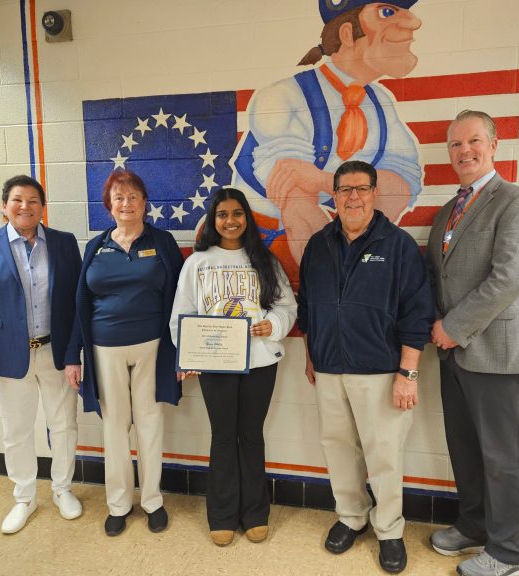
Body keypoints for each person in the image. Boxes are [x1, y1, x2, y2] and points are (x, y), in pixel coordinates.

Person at [297, 160, 434, 573]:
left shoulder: (398, 246)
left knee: (384, 454)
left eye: (361, 189)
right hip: (329, 369)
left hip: (381, 371)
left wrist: (407, 373)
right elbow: (308, 309)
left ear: (374, 193)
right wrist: (312, 356)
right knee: (337, 447)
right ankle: (351, 516)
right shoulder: (318, 245)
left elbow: (417, 314)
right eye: (345, 190)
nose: (353, 197)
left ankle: (389, 530)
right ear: (334, 196)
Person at [231, 0, 423, 287]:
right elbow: (298, 211)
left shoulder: (380, 103)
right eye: (387, 13)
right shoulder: (284, 96)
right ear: (347, 34)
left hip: (337, 246)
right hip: (266, 252)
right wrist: (343, 282)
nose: (413, 22)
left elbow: (398, 191)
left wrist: (322, 181)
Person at [426, 110, 519, 576]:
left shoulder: (516, 201)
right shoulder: (448, 211)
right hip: (453, 354)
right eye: (455, 144)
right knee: (466, 449)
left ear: (493, 145)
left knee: (502, 456)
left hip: (496, 352)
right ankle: (475, 526)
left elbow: (507, 279)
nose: (464, 151)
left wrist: (453, 327)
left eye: (473, 141)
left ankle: (509, 554)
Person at [170, 188, 297, 547]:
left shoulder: (265, 261)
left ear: (247, 218)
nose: (230, 221)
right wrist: (190, 354)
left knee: (252, 435)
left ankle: (255, 513)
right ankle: (222, 515)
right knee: (224, 436)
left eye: (237, 213)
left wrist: (272, 324)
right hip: (216, 365)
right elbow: (181, 315)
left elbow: (287, 307)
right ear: (213, 220)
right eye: (222, 214)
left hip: (259, 362)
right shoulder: (197, 263)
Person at [0, 174, 83, 534]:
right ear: (4, 206)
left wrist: (74, 353)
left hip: (56, 351)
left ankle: (62, 490)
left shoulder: (63, 243)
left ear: (43, 207)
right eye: (17, 200)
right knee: (16, 430)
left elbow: (77, 302)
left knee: (63, 425)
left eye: (33, 200)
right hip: (8, 356)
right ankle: (24, 497)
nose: (25, 206)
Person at [70, 169, 183, 537]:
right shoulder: (96, 246)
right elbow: (80, 303)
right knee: (116, 428)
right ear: (109, 205)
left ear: (144, 202)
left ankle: (152, 501)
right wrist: (73, 356)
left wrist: (183, 353)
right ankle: (118, 503)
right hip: (105, 350)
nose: (126, 203)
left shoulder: (162, 242)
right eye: (119, 197)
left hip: (153, 348)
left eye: (133, 196)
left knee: (150, 424)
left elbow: (181, 299)